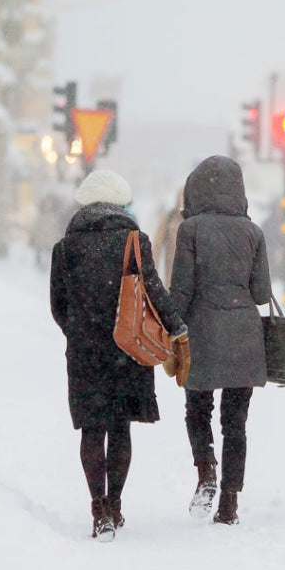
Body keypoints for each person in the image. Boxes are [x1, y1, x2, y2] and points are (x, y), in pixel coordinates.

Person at [50, 168, 190, 542]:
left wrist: (81, 332)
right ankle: (115, 502)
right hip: (127, 347)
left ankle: (98, 509)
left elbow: (57, 306)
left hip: (84, 352)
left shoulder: (65, 248)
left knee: (92, 428)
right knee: (120, 426)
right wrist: (176, 328)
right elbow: (155, 291)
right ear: (120, 203)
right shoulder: (134, 241)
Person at [170, 155, 272, 525]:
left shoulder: (191, 229)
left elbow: (181, 290)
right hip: (245, 336)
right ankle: (230, 502)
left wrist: (168, 325)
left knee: (197, 411)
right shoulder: (253, 232)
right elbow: (262, 293)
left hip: (203, 334)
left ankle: (206, 472)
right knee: (236, 422)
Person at [152, 188, 184, 287]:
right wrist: (154, 269)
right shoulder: (169, 217)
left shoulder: (194, 219)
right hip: (171, 273)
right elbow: (157, 245)